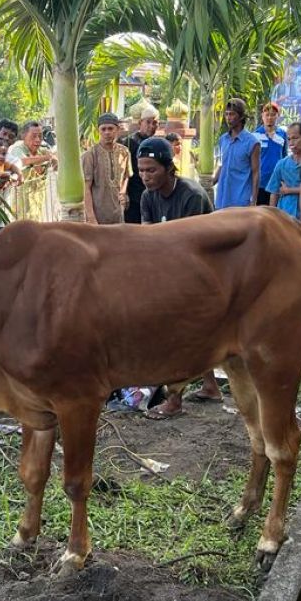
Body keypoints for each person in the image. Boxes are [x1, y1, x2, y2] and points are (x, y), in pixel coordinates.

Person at [134, 138, 221, 418]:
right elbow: (147, 240)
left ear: (170, 169)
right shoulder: (148, 196)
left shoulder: (191, 196)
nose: (145, 177)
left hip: (200, 272)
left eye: (152, 170)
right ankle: (210, 386)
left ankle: (174, 401)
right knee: (197, 334)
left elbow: (192, 249)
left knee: (178, 335)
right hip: (168, 272)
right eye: (142, 170)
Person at [82, 112, 131, 224]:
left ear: (117, 129)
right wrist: (91, 218)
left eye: (110, 128)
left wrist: (123, 193)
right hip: (98, 217)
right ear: (98, 131)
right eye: (103, 129)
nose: (107, 132)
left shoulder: (124, 152)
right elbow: (86, 188)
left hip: (118, 215)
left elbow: (126, 176)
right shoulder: (90, 155)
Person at [213, 98, 260, 210]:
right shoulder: (223, 140)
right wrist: (211, 182)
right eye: (227, 114)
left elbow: (256, 173)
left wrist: (253, 201)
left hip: (241, 200)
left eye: (232, 114)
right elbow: (222, 165)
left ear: (241, 117)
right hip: (222, 198)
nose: (228, 118)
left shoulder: (252, 143)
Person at [8, 120, 58, 222]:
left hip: (37, 203)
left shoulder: (41, 150)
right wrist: (46, 158)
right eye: (33, 136)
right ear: (23, 136)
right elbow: (23, 161)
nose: (37, 140)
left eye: (40, 136)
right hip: (20, 204)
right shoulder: (18, 148)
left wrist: (54, 159)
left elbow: (54, 157)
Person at [121, 104, 160, 223]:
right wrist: (125, 193)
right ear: (140, 123)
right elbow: (122, 172)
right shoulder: (128, 143)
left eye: (155, 123)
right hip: (133, 198)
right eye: (148, 122)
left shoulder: (158, 145)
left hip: (154, 198)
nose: (151, 126)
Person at [266, 121, 301, 219]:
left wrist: (289, 190)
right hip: (284, 214)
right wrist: (271, 217)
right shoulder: (282, 164)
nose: (291, 143)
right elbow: (274, 192)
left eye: (295, 138)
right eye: (289, 139)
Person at [254, 101, 287, 205]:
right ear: (262, 116)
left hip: (276, 181)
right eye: (267, 115)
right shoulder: (255, 135)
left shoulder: (283, 134)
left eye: (273, 115)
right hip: (261, 182)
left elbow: (284, 156)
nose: (270, 118)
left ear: (277, 116)